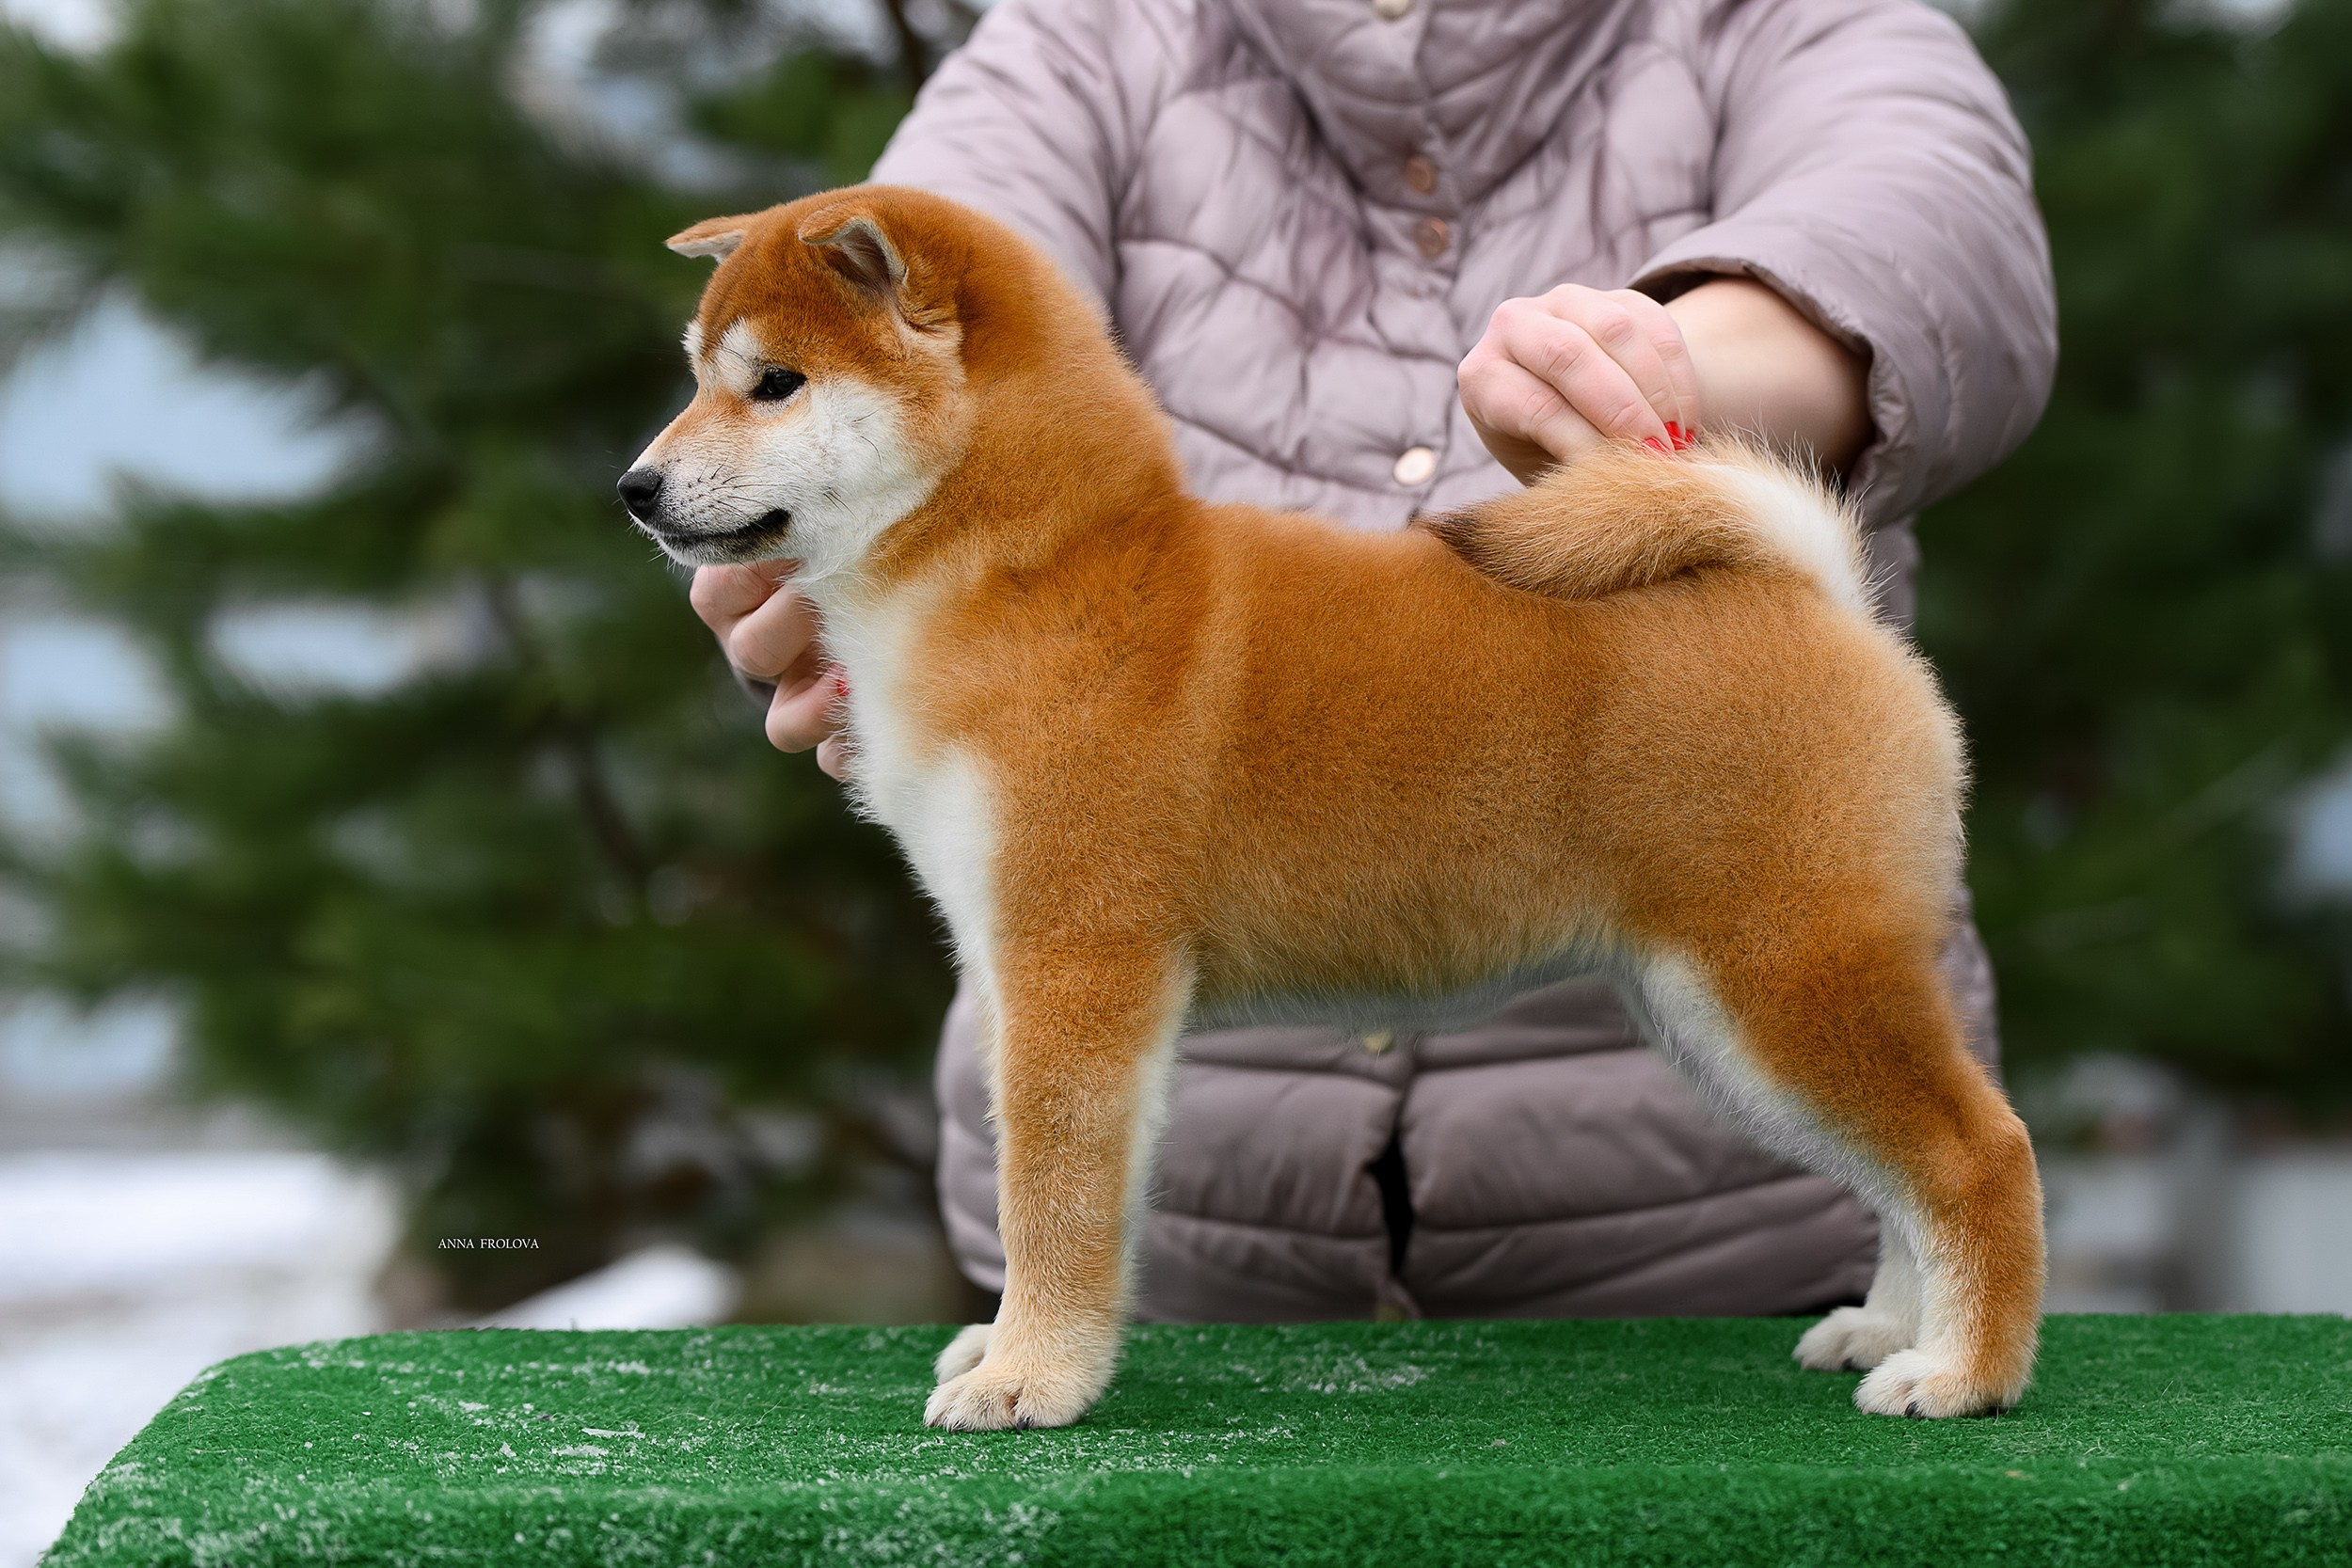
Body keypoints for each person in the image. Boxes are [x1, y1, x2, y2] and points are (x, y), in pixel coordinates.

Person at [691, 0, 2055, 1322]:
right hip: (1208, 1255)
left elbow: (1933, 223)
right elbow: (953, 240)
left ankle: (1964, 1271)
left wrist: (1688, 373)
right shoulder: (1089, 36)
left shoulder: (1765, 18)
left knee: (1820, 1026)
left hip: (1704, 1245)